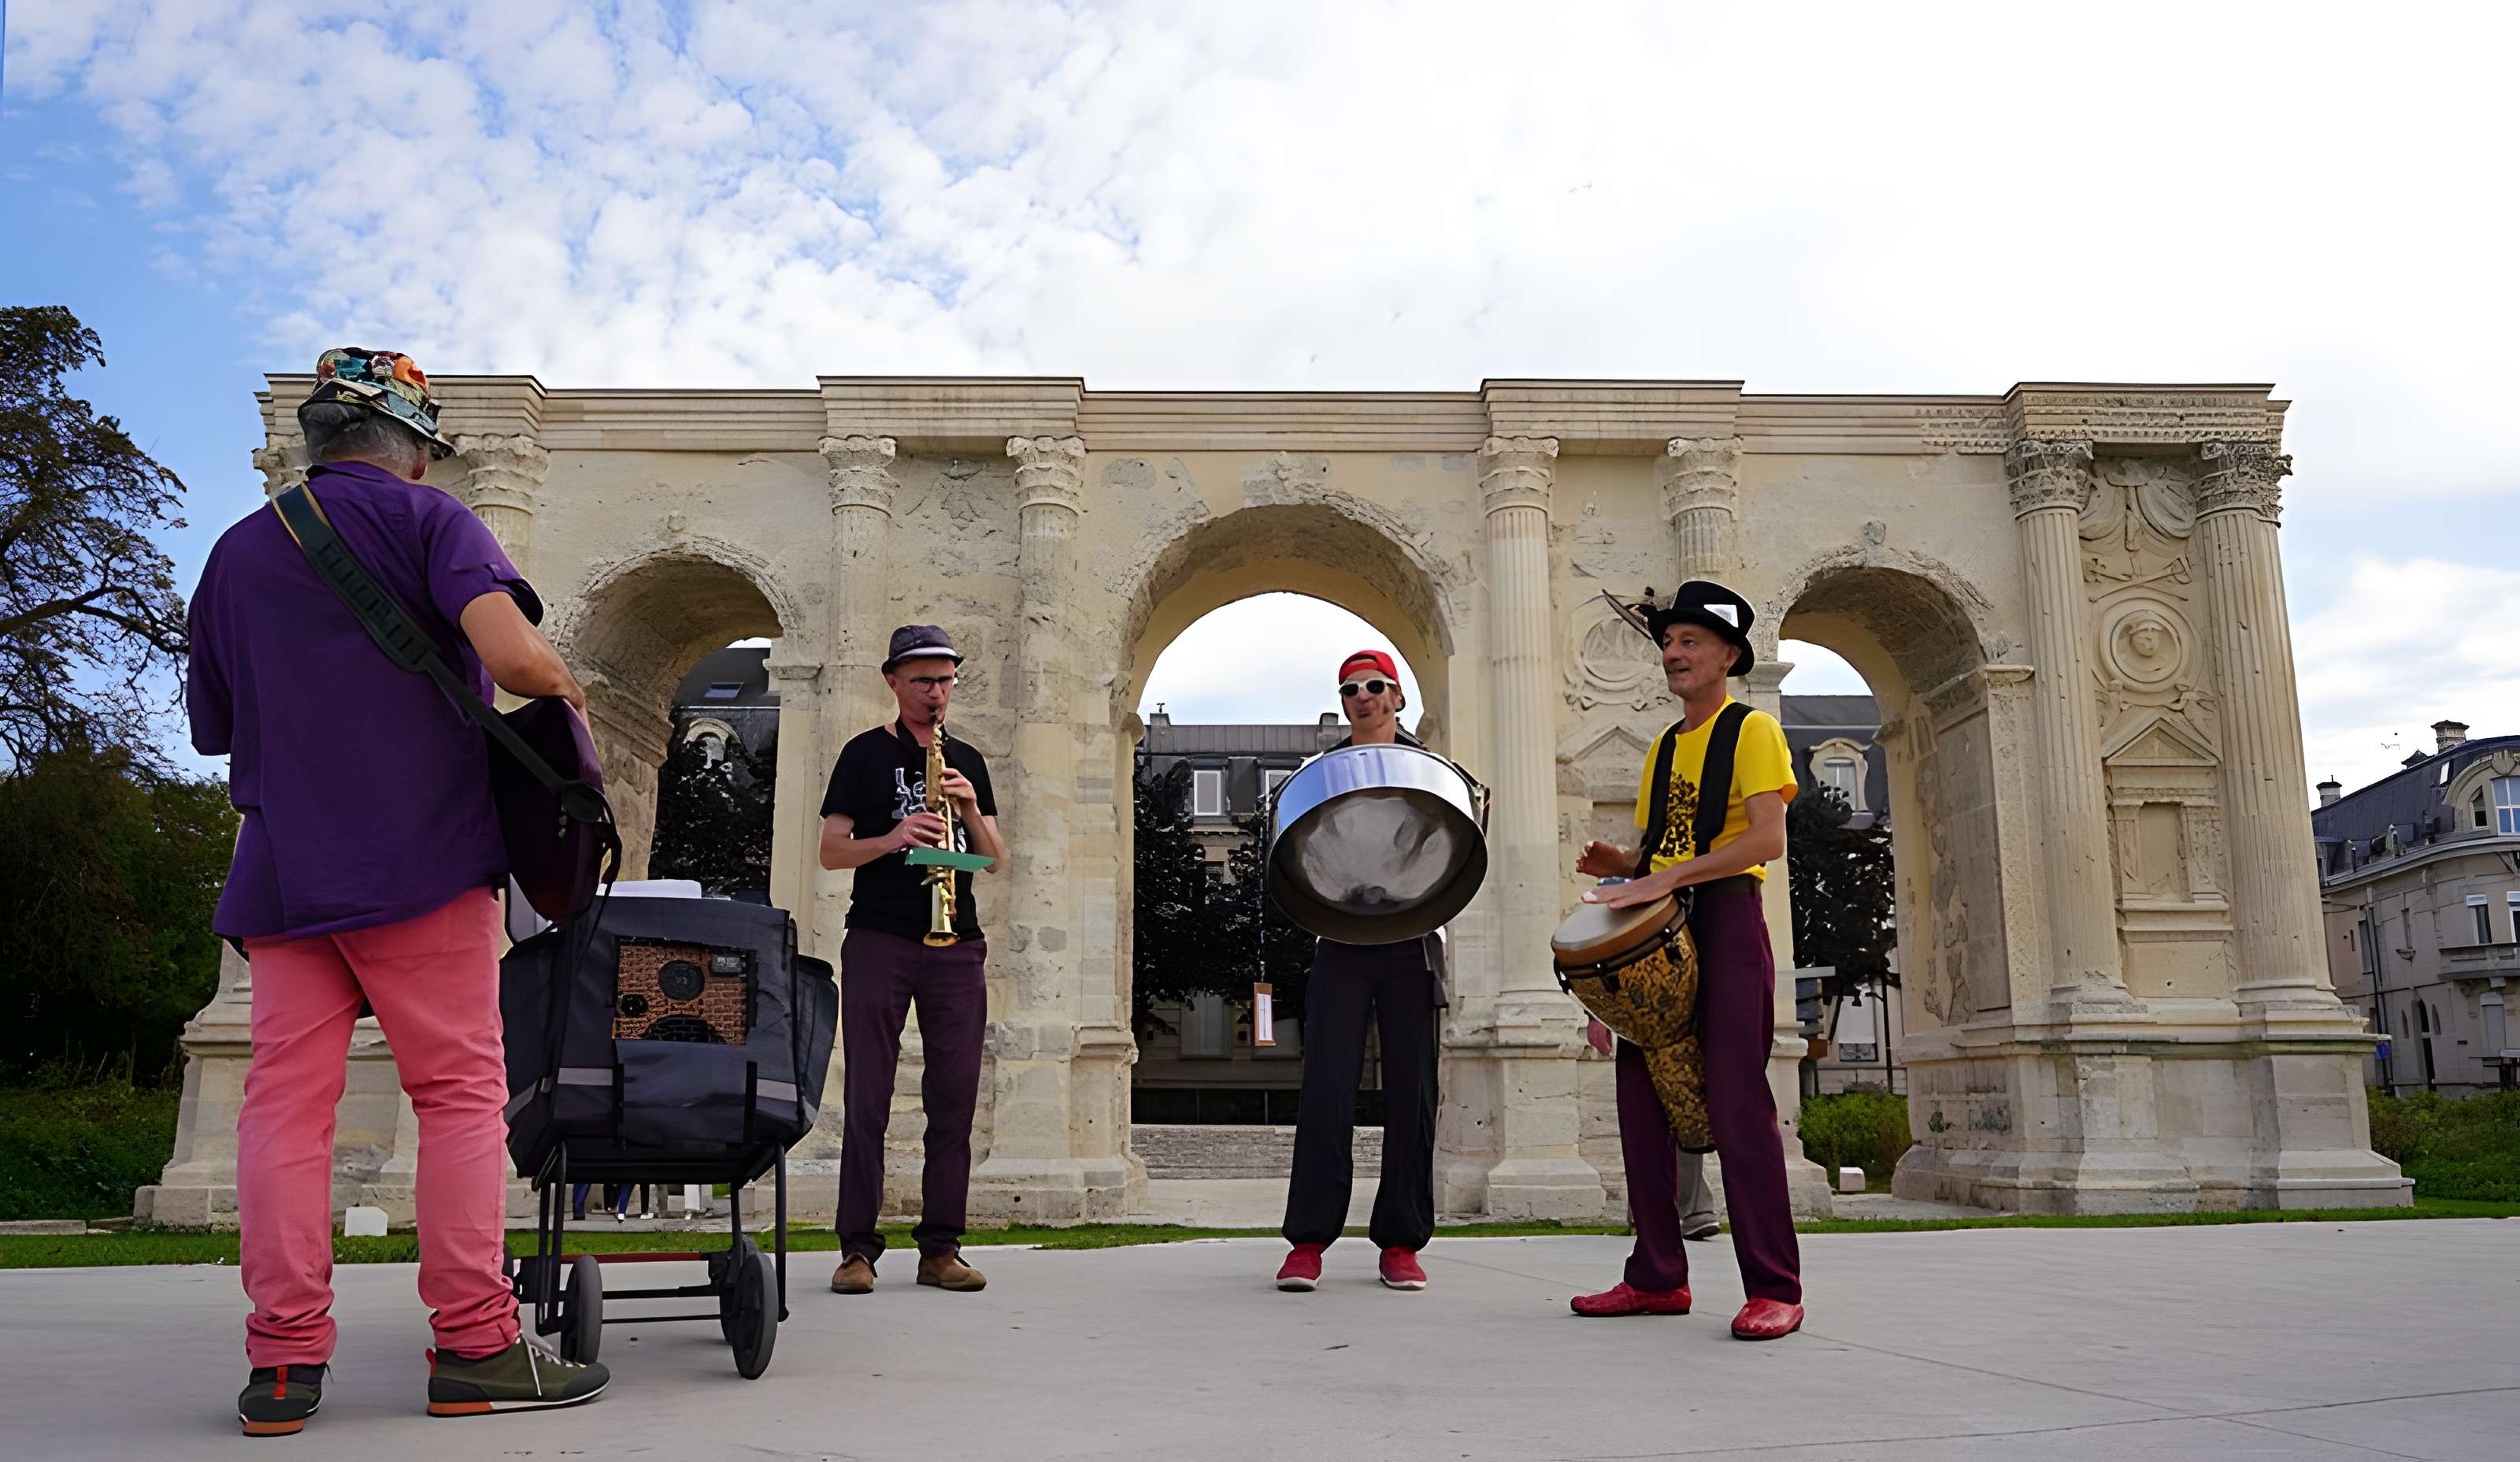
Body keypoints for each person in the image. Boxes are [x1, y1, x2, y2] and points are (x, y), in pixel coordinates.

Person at [189, 349, 610, 1435]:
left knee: (284, 1113)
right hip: (421, 858)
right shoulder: (435, 523)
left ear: (317, 442)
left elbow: (214, 728)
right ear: (417, 448)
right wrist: (569, 694)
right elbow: (513, 660)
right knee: (461, 1098)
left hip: (283, 875)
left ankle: (282, 1367)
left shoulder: (238, 552)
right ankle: (473, 1344)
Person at [1566, 581, 1805, 1341]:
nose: (1672, 653)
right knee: (1640, 1104)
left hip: (1729, 918)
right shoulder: (1666, 746)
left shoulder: (1753, 729)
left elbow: (1765, 840)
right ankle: (1657, 1277)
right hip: (1662, 929)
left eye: (1689, 642)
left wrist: (1664, 874)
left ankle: (1776, 1286)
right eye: (1668, 643)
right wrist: (1627, 860)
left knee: (1737, 1103)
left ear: (1729, 654)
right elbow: (1661, 844)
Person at [820, 625, 1008, 1295]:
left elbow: (991, 859)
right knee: (868, 1094)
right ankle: (857, 1250)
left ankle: (941, 1249)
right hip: (879, 938)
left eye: (946, 680)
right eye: (924, 680)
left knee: (953, 1100)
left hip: (956, 943)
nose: (937, 692)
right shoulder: (864, 755)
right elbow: (832, 851)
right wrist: (896, 837)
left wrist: (967, 808)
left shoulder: (968, 761)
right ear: (894, 682)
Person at [1276, 650, 1449, 1294]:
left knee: (1413, 1093)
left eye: (1375, 686)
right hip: (1342, 937)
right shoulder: (1322, 774)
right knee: (1326, 1090)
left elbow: (1451, 845)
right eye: (1351, 689)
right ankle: (1308, 1243)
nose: (1363, 697)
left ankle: (1402, 1241)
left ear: (1397, 698)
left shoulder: (1428, 772)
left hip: (1411, 936)